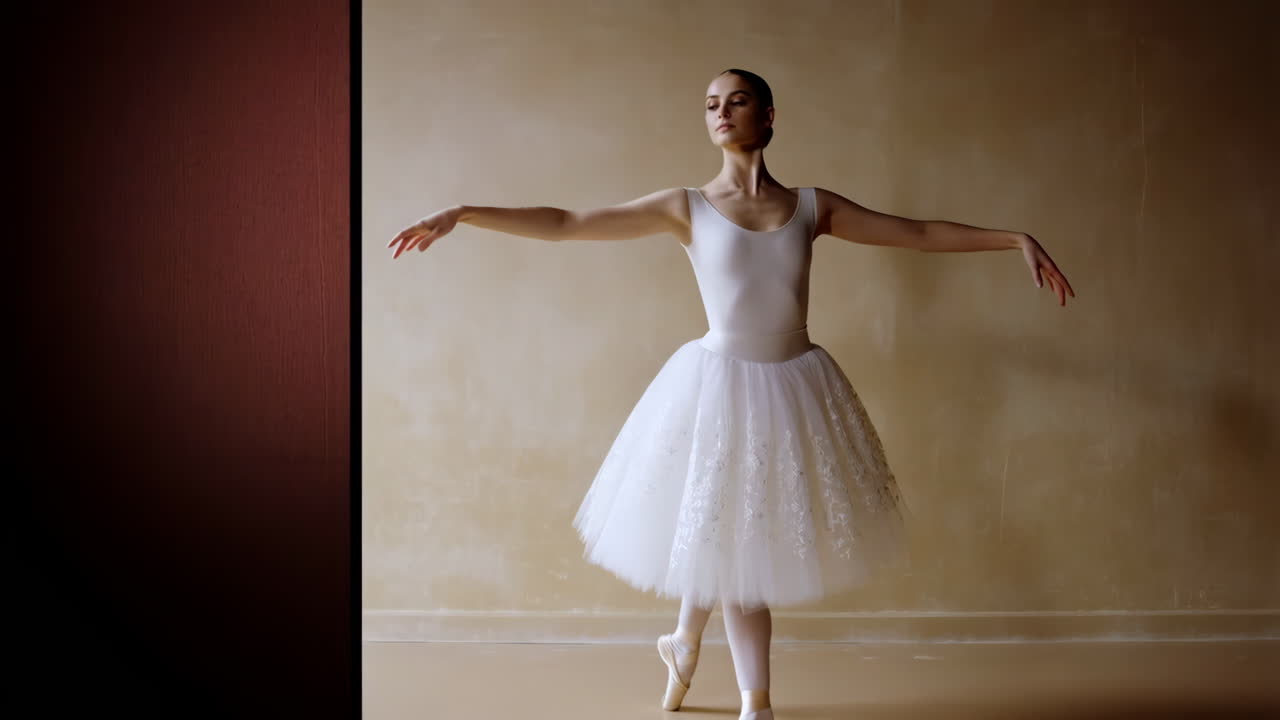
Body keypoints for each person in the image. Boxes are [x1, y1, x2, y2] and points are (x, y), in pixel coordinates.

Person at [389, 68, 1074, 720]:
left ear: (768, 116)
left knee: (729, 526)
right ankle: (757, 703)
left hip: (795, 384)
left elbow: (918, 233)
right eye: (712, 103)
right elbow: (570, 221)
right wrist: (465, 212)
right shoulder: (686, 207)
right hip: (717, 383)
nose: (721, 111)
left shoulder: (812, 207)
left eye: (736, 100)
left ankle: (685, 640)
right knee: (737, 543)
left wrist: (1014, 238)